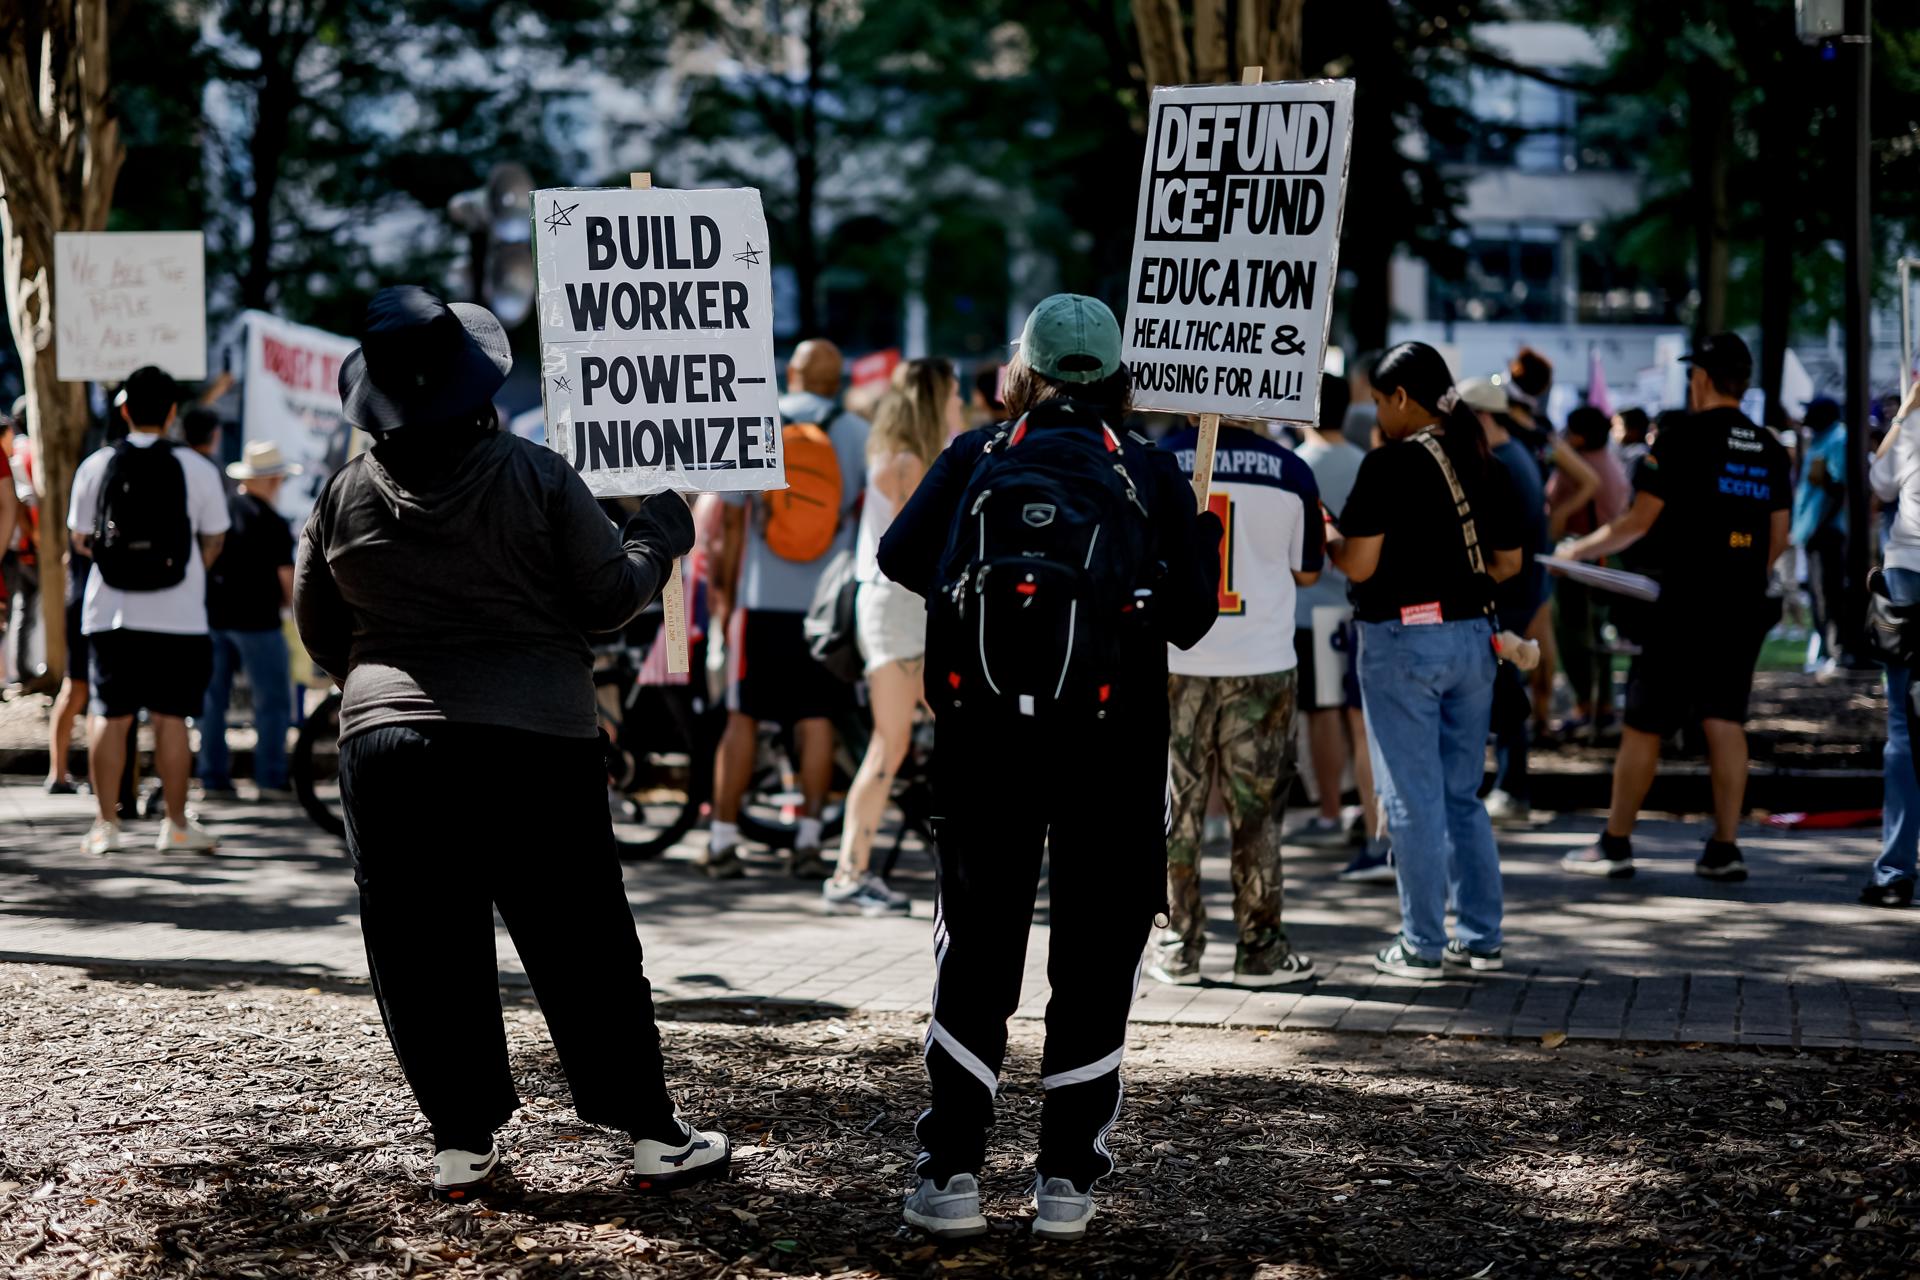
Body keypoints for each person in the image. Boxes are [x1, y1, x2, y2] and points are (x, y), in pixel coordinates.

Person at [294, 286, 726, 1199]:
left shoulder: (342, 496)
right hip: (536, 743)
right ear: (476, 387)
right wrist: (658, 533)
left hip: (387, 746)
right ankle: (651, 1133)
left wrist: (384, 683)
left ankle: (461, 1140)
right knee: (583, 941)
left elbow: (322, 634)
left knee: (419, 946)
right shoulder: (536, 475)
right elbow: (608, 598)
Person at [877, 294, 1220, 1241]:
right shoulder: (1150, 469)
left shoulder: (976, 453)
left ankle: (951, 1172)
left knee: (977, 952)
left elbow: (899, 556)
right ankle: (1067, 1180)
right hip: (1115, 750)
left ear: (1022, 370)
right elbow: (1193, 619)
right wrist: (1191, 542)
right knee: (1097, 959)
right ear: (1117, 376)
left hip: (984, 745)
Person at [1559, 333, 1791, 882]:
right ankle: (1724, 848)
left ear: (1702, 379)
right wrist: (1742, 577)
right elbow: (1777, 537)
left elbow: (1637, 521)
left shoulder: (1679, 436)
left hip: (1682, 602)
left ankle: (1616, 843)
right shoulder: (1769, 448)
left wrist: (1575, 551)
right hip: (1741, 604)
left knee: (1644, 723)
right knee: (1725, 719)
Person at [1327, 343, 1523, 980]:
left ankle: (1421, 944)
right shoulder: (1485, 461)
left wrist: (1328, 534)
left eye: (1380, 401)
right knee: (1462, 795)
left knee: (1410, 798)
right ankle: (1482, 937)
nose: (1378, 414)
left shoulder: (1388, 465)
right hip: (1474, 641)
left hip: (1402, 643)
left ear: (1402, 398)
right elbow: (1509, 563)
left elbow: (1359, 565)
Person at [1152, 408, 1322, 987]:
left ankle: (1178, 942)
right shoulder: (1290, 469)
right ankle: (1260, 948)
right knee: (1258, 814)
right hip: (1261, 663)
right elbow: (1308, 570)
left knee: (1176, 810)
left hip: (1176, 660)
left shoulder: (1157, 463)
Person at [707, 337, 869, 879]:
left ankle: (722, 844)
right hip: (825, 605)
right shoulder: (857, 433)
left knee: (743, 717)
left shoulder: (756, 423)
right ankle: (808, 844)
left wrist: (726, 598)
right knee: (817, 719)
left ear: (792, 375)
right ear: (837, 382)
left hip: (760, 600)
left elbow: (732, 524)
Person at [67, 366, 230, 854]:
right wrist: (185, 571)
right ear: (173, 412)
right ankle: (176, 825)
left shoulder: (97, 465)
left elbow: (80, 537)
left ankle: (106, 826)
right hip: (179, 615)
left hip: (110, 613)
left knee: (109, 715)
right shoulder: (196, 468)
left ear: (124, 410)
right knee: (171, 718)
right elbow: (214, 538)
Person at [824, 359, 959, 915]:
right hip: (894, 609)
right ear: (934, 399)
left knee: (910, 738)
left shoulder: (904, 455)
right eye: (952, 394)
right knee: (889, 744)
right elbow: (925, 543)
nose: (959, 402)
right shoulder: (906, 463)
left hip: (901, 608)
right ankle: (848, 874)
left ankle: (854, 871)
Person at [1290, 374, 1387, 879]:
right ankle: (1362, 812)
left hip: (1310, 607)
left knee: (1322, 712)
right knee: (1359, 720)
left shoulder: (1297, 465)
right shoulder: (1364, 461)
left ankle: (1331, 811)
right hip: (1359, 604)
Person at [1460, 377, 1551, 828]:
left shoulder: (1504, 464)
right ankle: (1510, 786)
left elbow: (1506, 552)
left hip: (1507, 594)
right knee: (1502, 687)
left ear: (1480, 417)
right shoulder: (1513, 456)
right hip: (1517, 591)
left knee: (1502, 690)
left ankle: (1512, 789)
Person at [198, 441, 301, 798]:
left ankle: (212, 778)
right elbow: (287, 578)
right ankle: (270, 777)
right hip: (259, 622)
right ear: (272, 479)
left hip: (214, 617)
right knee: (272, 702)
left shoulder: (221, 510)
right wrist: (296, 611)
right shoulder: (272, 521)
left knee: (212, 702)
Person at [1862, 380, 1920, 908]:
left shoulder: (1915, 428)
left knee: (1903, 725)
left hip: (1909, 574)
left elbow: (1879, 482)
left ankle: (1896, 871)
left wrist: (1903, 415)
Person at [1548, 406, 1630, 731]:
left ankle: (1585, 705)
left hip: (1580, 559)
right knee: (1598, 638)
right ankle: (1602, 705)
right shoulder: (1611, 461)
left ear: (1579, 436)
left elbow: (1556, 504)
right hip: (1606, 558)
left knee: (1575, 637)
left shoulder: (1579, 467)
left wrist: (1557, 520)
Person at [1791, 398, 1848, 671]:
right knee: (1817, 593)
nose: (1805, 417)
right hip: (1813, 530)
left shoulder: (1837, 439)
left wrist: (1819, 526)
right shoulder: (1818, 440)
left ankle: (1834, 651)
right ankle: (1825, 648)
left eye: (1810, 412)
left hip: (1827, 531)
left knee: (1828, 593)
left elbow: (1837, 489)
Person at [1613, 407, 1652, 472]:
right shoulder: (1624, 450)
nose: (1613, 431)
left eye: (1618, 429)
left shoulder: (1641, 455)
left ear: (1634, 431)